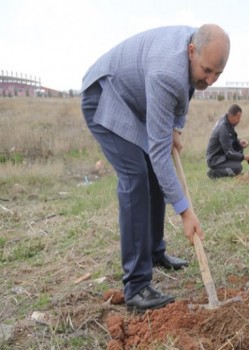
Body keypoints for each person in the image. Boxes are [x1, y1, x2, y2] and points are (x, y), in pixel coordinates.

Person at [80, 24, 230, 313]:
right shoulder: (167, 71)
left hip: (134, 101)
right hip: (104, 97)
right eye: (207, 70)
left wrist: (176, 127)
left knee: (152, 175)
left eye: (217, 74)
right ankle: (136, 287)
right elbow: (160, 153)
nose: (210, 80)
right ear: (191, 52)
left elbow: (186, 93)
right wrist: (185, 211)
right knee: (136, 176)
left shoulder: (195, 50)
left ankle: (154, 251)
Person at [206, 104, 249, 178]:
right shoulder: (223, 129)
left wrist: (239, 142)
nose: (239, 120)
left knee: (238, 150)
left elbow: (228, 139)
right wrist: (246, 157)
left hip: (221, 154)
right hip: (215, 159)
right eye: (237, 118)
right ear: (231, 116)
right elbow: (229, 153)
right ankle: (214, 173)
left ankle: (225, 168)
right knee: (237, 167)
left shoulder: (226, 121)